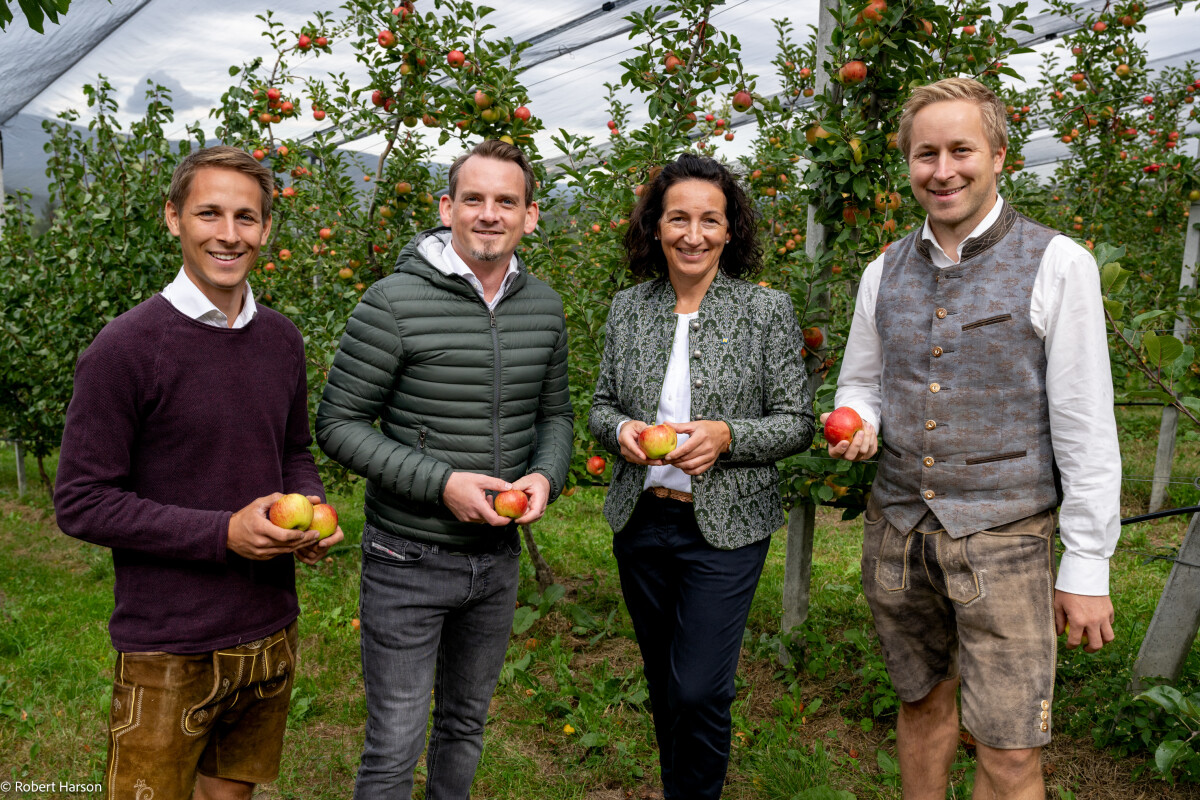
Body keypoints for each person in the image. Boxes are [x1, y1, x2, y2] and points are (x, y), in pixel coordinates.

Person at [827, 77, 1121, 799]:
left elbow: (1087, 425)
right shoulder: (881, 272)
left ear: (998, 154)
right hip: (899, 531)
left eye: (961, 149)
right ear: (907, 165)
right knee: (922, 703)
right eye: (925, 154)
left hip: (1005, 538)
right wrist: (860, 423)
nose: (943, 169)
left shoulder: (1058, 264)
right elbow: (861, 383)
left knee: (1011, 748)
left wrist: (1087, 566)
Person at [53, 145, 344, 800]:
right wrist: (223, 534)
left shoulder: (281, 340)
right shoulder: (125, 348)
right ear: (173, 218)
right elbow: (80, 502)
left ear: (267, 228)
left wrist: (312, 508)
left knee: (232, 792)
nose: (228, 233)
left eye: (246, 217)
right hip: (168, 647)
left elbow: (293, 447)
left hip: (270, 628)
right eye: (209, 212)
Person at [315, 139, 572, 799]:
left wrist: (546, 475)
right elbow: (338, 425)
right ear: (447, 206)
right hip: (407, 555)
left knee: (463, 724)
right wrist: (442, 483)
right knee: (395, 741)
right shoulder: (394, 301)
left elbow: (556, 418)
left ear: (530, 216)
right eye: (474, 198)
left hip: (495, 557)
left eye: (506, 201)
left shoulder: (543, 307)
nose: (490, 214)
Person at [588, 153, 814, 800]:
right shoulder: (630, 309)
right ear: (655, 227)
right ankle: (678, 788)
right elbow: (602, 406)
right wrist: (622, 432)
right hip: (642, 520)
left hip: (727, 527)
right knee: (664, 683)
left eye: (709, 220)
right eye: (678, 218)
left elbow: (797, 421)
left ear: (730, 230)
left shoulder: (764, 313)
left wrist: (727, 436)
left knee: (700, 687)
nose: (693, 234)